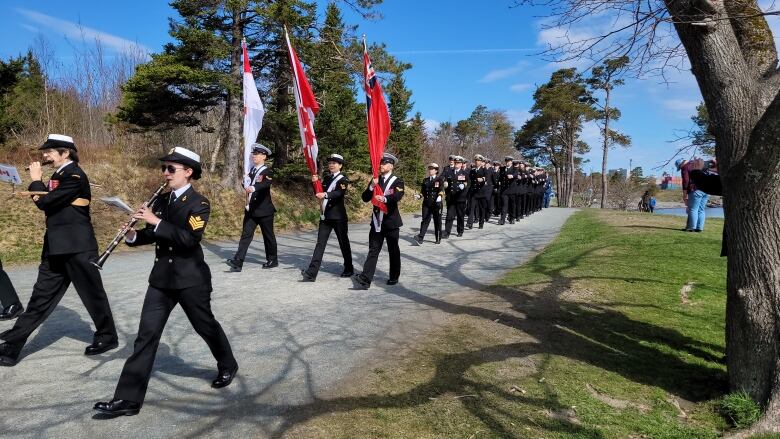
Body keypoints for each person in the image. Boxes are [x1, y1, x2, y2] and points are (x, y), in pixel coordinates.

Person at [95, 147, 238, 417]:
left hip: (190, 279)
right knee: (146, 337)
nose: (165, 173)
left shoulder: (200, 203)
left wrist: (155, 221)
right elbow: (151, 234)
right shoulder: (161, 200)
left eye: (171, 169)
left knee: (204, 325)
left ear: (188, 172)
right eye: (164, 168)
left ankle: (227, 363)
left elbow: (188, 239)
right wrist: (133, 236)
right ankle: (127, 400)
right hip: (161, 279)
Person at [0, 134, 118, 366]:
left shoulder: (75, 175)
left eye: (50, 152)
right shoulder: (59, 174)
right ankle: (12, 346)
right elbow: (48, 199)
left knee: (93, 295)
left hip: (77, 247)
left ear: (65, 153)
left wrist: (35, 180)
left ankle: (107, 336)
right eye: (45, 152)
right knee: (39, 299)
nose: (44, 155)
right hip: (55, 247)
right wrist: (38, 184)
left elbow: (46, 202)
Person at [352, 153, 405, 289]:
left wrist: (386, 199)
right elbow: (365, 197)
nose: (381, 166)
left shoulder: (397, 181)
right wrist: (371, 186)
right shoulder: (376, 179)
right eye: (380, 163)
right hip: (377, 221)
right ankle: (365, 279)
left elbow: (397, 195)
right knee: (373, 250)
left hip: (391, 221)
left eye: (384, 163)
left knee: (393, 250)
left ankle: (394, 276)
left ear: (391, 165)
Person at [301, 154, 354, 281]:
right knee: (320, 243)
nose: (331, 164)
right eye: (330, 162)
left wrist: (325, 194)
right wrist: (315, 183)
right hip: (325, 216)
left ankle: (349, 268)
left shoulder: (343, 179)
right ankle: (312, 272)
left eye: (335, 163)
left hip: (338, 216)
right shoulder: (327, 178)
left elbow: (339, 193)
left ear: (340, 165)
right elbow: (318, 193)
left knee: (343, 243)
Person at [226, 143, 278, 271]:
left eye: (257, 154)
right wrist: (244, 182)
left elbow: (265, 184)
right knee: (246, 235)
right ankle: (238, 261)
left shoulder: (267, 171)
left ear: (264, 156)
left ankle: (272, 259)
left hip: (264, 210)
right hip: (251, 209)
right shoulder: (251, 171)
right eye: (253, 154)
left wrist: (253, 187)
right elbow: (247, 186)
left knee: (268, 236)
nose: (254, 156)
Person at [414, 163, 445, 245]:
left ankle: (438, 237)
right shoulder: (426, 180)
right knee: (425, 220)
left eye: (432, 169)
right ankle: (420, 237)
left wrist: (440, 196)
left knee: (437, 221)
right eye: (429, 169)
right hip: (427, 203)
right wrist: (419, 196)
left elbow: (441, 189)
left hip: (436, 203)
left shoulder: (440, 179)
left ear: (436, 170)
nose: (430, 170)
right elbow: (423, 192)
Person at [677, 158, 709, 232]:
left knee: (693, 209)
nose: (681, 169)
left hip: (695, 189)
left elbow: (686, 181)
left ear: (681, 164)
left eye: (680, 167)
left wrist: (684, 194)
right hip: (706, 189)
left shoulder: (685, 167)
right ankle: (699, 228)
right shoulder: (698, 164)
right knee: (701, 209)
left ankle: (691, 227)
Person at [443, 156, 469, 237]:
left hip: (460, 198)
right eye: (455, 162)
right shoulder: (449, 172)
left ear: (461, 164)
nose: (456, 164)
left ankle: (460, 230)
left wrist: (464, 185)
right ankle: (447, 232)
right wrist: (445, 182)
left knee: (460, 215)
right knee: (449, 216)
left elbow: (468, 183)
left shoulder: (465, 173)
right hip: (451, 198)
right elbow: (443, 178)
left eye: (458, 163)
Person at [467, 155, 489, 229]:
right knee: (471, 207)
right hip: (474, 192)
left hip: (481, 192)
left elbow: (487, 177)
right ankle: (470, 223)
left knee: (481, 209)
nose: (477, 162)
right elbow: (469, 180)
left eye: (478, 160)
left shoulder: (484, 169)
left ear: (481, 162)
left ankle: (481, 223)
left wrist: (482, 179)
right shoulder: (472, 170)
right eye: (476, 160)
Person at [498, 156, 516, 225]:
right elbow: (500, 177)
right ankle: (502, 220)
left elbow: (516, 174)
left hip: (511, 190)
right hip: (504, 190)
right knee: (504, 205)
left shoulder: (515, 168)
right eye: (506, 161)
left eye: (508, 161)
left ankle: (512, 218)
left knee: (512, 205)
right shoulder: (502, 169)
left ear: (511, 162)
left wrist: (512, 176)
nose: (507, 163)